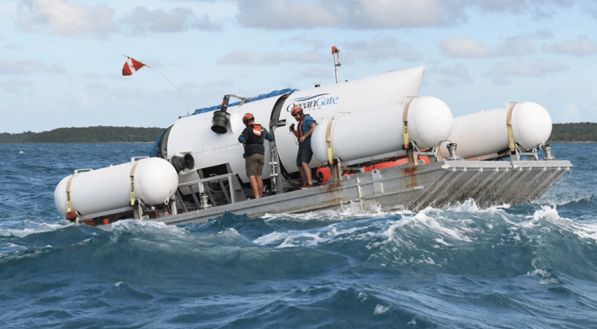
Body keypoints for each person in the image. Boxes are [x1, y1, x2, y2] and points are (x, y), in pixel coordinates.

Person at [238, 113, 274, 198]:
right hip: (261, 154)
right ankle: (260, 196)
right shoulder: (261, 128)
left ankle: (257, 196)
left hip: (251, 155)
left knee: (252, 176)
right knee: (259, 176)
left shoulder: (247, 129)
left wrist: (242, 137)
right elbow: (270, 138)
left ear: (245, 122)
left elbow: (241, 139)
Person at [289, 105, 316, 189]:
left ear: (300, 113)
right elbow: (299, 135)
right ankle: (305, 183)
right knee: (299, 164)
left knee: (304, 162)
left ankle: (310, 182)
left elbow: (314, 127)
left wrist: (305, 136)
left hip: (307, 144)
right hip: (302, 145)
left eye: (295, 115)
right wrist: (293, 131)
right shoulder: (299, 123)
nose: (295, 117)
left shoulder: (307, 119)